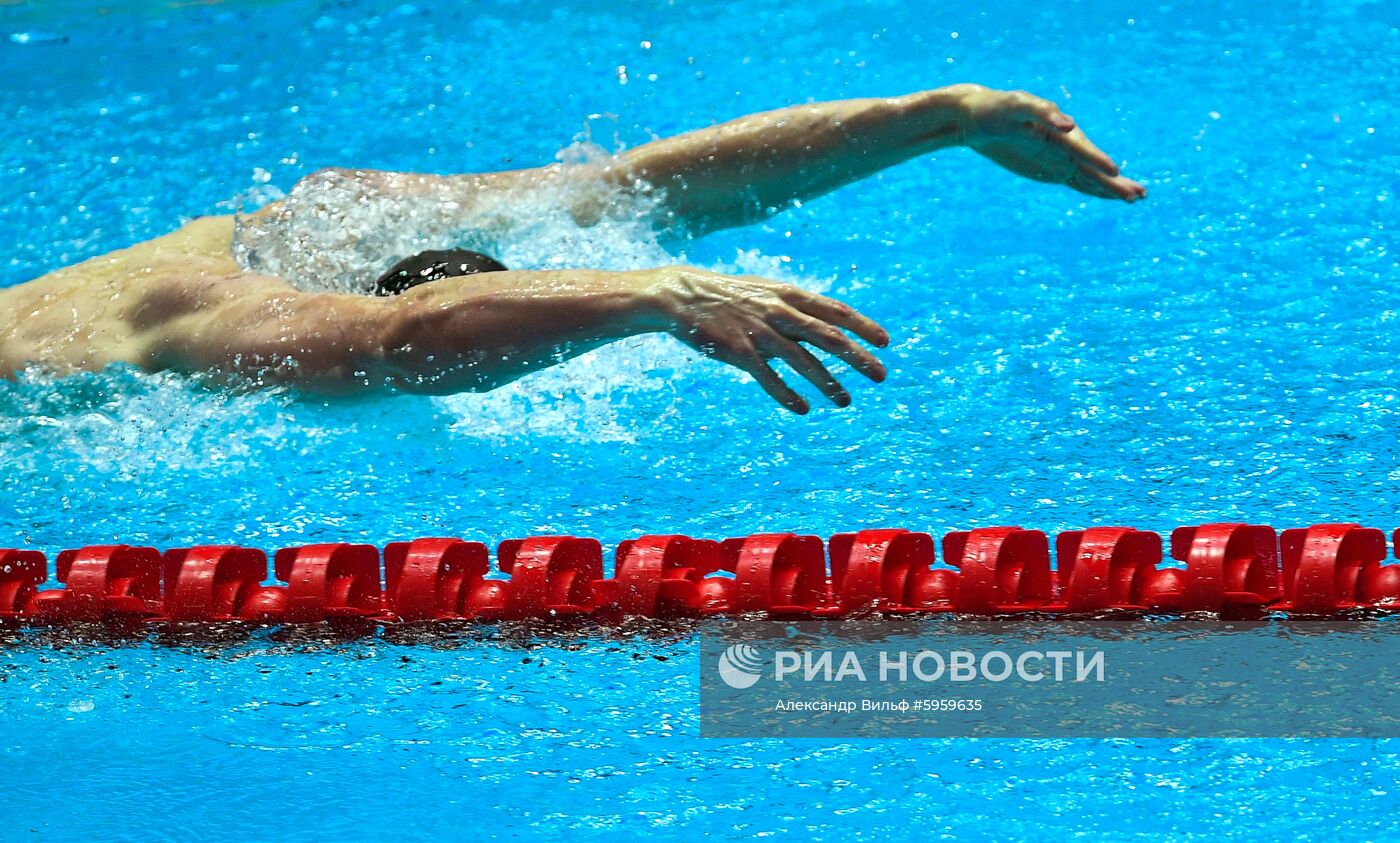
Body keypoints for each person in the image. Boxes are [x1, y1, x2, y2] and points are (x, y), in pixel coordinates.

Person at [0, 84, 1143, 413]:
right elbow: (399, 344)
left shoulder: (302, 229)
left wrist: (933, 121)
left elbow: (631, 187)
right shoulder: (214, 308)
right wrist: (649, 295)